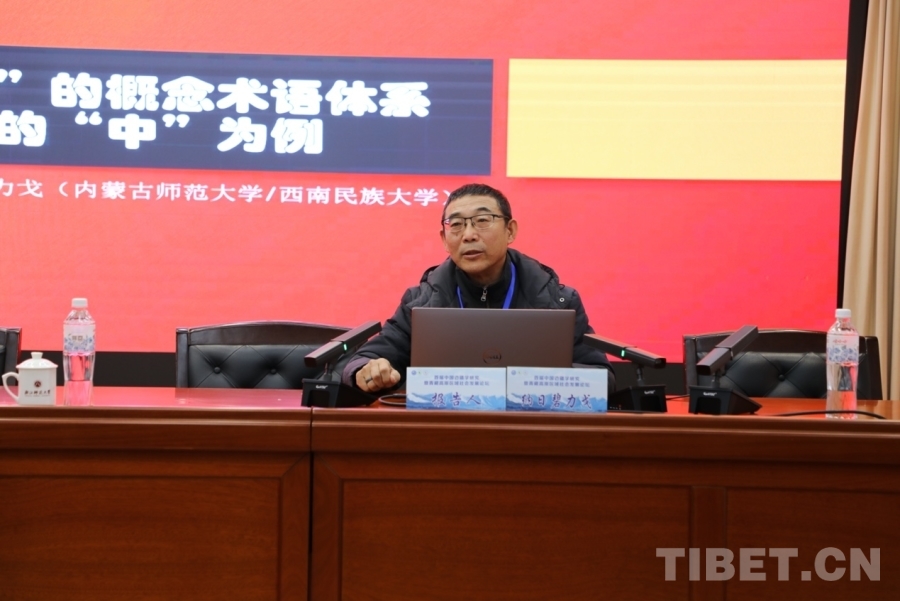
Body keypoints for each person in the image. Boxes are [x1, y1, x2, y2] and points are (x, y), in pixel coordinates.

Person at [342, 183, 615, 392]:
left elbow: (601, 377)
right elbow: (366, 359)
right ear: (444, 238)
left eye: (482, 221)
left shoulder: (557, 301)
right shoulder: (422, 301)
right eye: (456, 225)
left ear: (510, 230)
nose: (469, 235)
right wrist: (366, 371)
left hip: (532, 430)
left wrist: (534, 380)